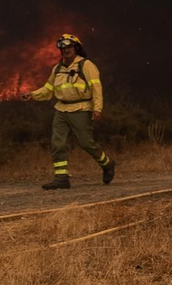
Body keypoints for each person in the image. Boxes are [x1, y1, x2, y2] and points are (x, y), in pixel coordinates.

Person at [24, 33, 114, 190]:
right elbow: (48, 89)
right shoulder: (57, 68)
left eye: (69, 47)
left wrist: (97, 108)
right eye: (63, 48)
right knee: (57, 143)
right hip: (61, 109)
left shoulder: (86, 66)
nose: (66, 50)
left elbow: (96, 88)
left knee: (86, 143)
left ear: (76, 48)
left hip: (81, 109)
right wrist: (32, 95)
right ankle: (61, 179)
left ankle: (108, 164)